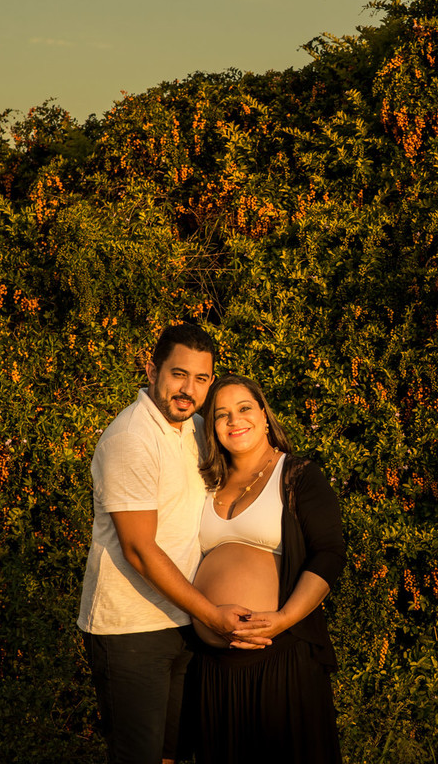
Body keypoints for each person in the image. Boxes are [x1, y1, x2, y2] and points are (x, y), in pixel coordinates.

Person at [78, 324, 270, 764]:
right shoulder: (132, 439)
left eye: (202, 379)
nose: (189, 389)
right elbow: (139, 550)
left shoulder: (197, 429)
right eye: (178, 374)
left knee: (173, 754)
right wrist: (211, 614)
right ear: (152, 370)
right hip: (131, 630)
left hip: (182, 624)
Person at [192, 373, 346, 764]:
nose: (234, 420)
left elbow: (329, 554)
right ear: (211, 427)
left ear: (263, 414)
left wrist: (282, 619)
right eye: (221, 414)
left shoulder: (297, 475)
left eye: (244, 408)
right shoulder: (204, 483)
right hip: (215, 671)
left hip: (281, 659)